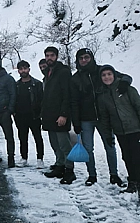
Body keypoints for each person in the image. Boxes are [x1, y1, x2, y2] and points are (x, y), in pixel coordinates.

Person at [69, 48, 129, 187]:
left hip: (104, 118)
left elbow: (125, 77)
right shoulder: (75, 78)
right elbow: (74, 102)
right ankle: (92, 175)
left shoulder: (102, 71)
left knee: (110, 146)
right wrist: (76, 122)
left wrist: (124, 83)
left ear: (91, 58)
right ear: (78, 61)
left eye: (86, 57)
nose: (84, 60)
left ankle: (114, 175)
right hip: (85, 119)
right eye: (81, 58)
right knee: (88, 148)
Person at [97, 65, 140, 194]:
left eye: (109, 74)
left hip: (134, 129)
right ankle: (133, 182)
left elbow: (138, 106)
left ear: (114, 75)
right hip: (120, 131)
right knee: (127, 157)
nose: (107, 77)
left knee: (137, 156)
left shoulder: (127, 89)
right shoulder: (102, 96)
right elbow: (104, 118)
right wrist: (108, 135)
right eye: (104, 75)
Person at [41, 46, 75, 184]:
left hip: (60, 115)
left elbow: (67, 94)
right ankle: (59, 165)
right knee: (55, 143)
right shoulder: (48, 72)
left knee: (64, 144)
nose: (49, 58)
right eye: (47, 55)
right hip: (50, 115)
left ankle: (69, 170)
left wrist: (64, 114)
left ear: (56, 56)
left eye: (52, 55)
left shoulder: (63, 72)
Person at [14, 60, 45, 168]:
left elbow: (42, 100)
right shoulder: (16, 85)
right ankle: (24, 158)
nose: (23, 71)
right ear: (18, 71)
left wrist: (40, 114)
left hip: (34, 116)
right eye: (21, 69)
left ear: (29, 69)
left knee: (37, 137)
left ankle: (40, 159)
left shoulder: (37, 84)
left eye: (25, 68)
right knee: (22, 138)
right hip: (20, 116)